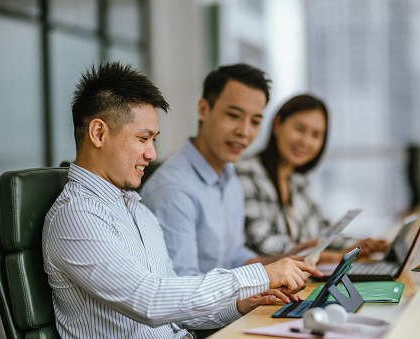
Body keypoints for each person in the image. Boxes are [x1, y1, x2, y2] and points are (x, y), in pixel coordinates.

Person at [42, 62, 322, 338]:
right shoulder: (77, 215)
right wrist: (260, 275)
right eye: (142, 139)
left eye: (154, 140)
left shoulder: (136, 209)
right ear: (99, 133)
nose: (151, 154)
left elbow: (174, 305)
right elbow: (149, 300)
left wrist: (241, 303)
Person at [141, 64, 316, 277]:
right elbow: (184, 287)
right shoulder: (173, 189)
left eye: (255, 121)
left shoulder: (230, 177)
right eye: (234, 115)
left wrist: (285, 261)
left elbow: (234, 257)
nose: (244, 131)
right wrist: (262, 281)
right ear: (204, 109)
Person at [235, 94, 388, 262]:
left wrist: (359, 245)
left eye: (316, 135)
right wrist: (328, 256)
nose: (306, 141)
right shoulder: (246, 172)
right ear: (277, 125)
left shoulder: (299, 179)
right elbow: (263, 243)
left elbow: (321, 232)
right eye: (299, 129)